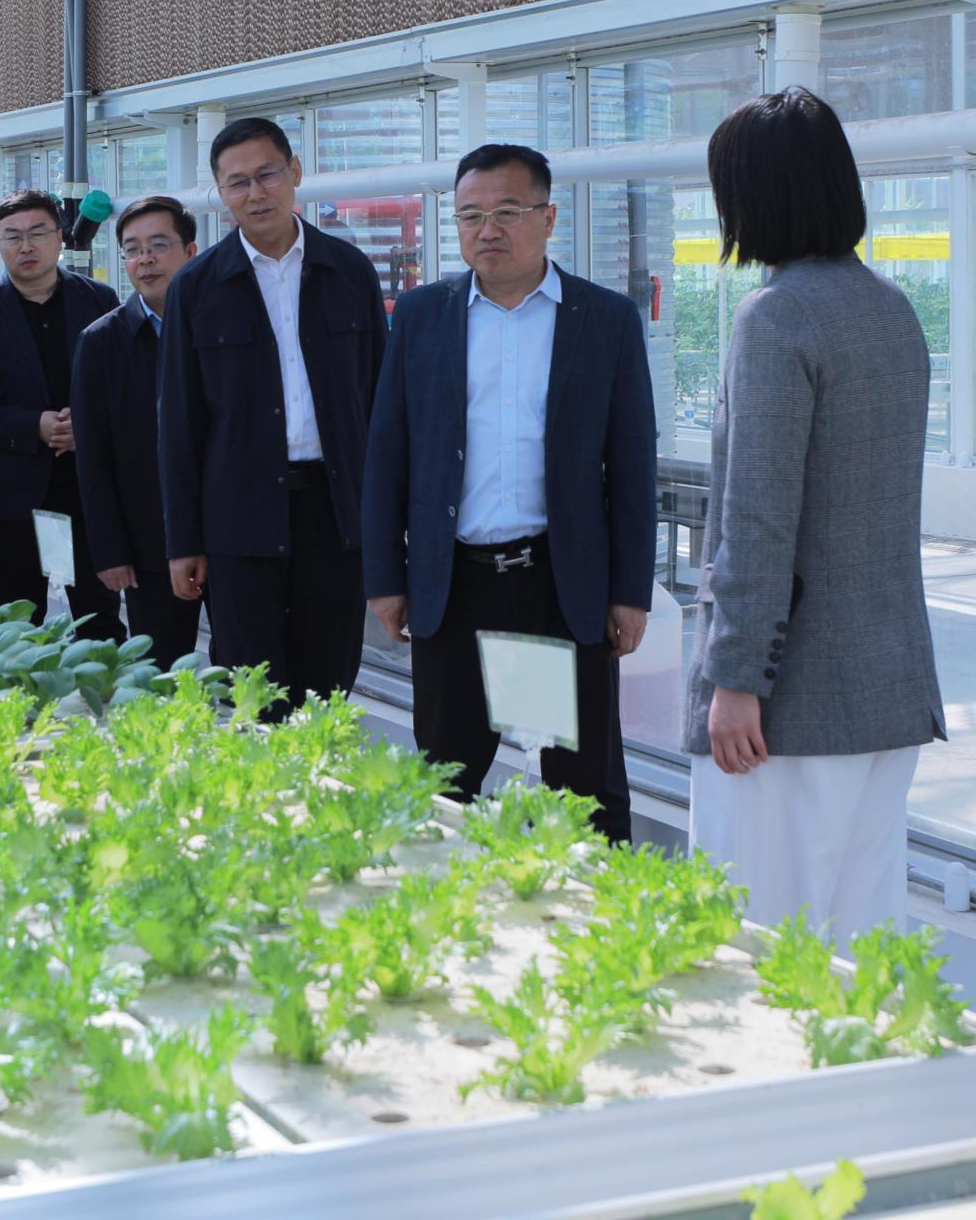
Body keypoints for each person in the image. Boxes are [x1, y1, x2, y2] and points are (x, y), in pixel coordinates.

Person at [685, 86, 946, 945]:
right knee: (862, 942)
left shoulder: (776, 318)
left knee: (757, 944)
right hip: (886, 687)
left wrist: (734, 680)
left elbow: (758, 519)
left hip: (787, 705)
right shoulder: (890, 308)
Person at [362, 144, 654, 843]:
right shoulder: (423, 316)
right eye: (470, 215)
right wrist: (386, 578)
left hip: (558, 584)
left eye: (506, 213)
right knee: (443, 782)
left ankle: (598, 908)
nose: (486, 230)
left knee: (582, 790)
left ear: (548, 218)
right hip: (455, 584)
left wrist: (630, 592)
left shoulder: (604, 319)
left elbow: (631, 466)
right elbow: (388, 454)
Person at [157, 116, 386, 713]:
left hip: (336, 514)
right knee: (252, 685)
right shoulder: (196, 287)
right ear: (220, 193)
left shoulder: (349, 270)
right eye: (237, 183)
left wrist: (390, 526)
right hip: (238, 516)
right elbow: (178, 424)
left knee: (329, 679)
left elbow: (382, 406)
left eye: (267, 175)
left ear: (296, 172)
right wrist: (183, 541)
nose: (255, 193)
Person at [0, 189, 123, 638]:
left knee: (99, 618)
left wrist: (89, 427)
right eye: (13, 236)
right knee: (19, 622)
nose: (26, 246)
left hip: (89, 492)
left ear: (60, 237)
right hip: (15, 497)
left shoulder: (99, 300)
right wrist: (34, 426)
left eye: (38, 233)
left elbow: (128, 388)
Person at [71, 196, 205, 665]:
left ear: (191, 252)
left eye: (158, 245)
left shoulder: (223, 326)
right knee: (160, 670)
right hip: (149, 543)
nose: (145, 259)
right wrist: (109, 550)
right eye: (132, 249)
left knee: (241, 668)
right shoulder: (100, 342)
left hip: (228, 536)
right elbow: (93, 456)